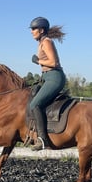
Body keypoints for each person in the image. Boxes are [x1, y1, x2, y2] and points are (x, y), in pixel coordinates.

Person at [28, 16, 67, 150]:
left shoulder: (47, 42)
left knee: (35, 104)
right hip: (47, 77)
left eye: (34, 28)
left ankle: (43, 140)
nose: (31, 31)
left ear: (42, 30)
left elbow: (53, 62)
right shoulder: (42, 42)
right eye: (31, 29)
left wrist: (38, 61)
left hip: (55, 78)